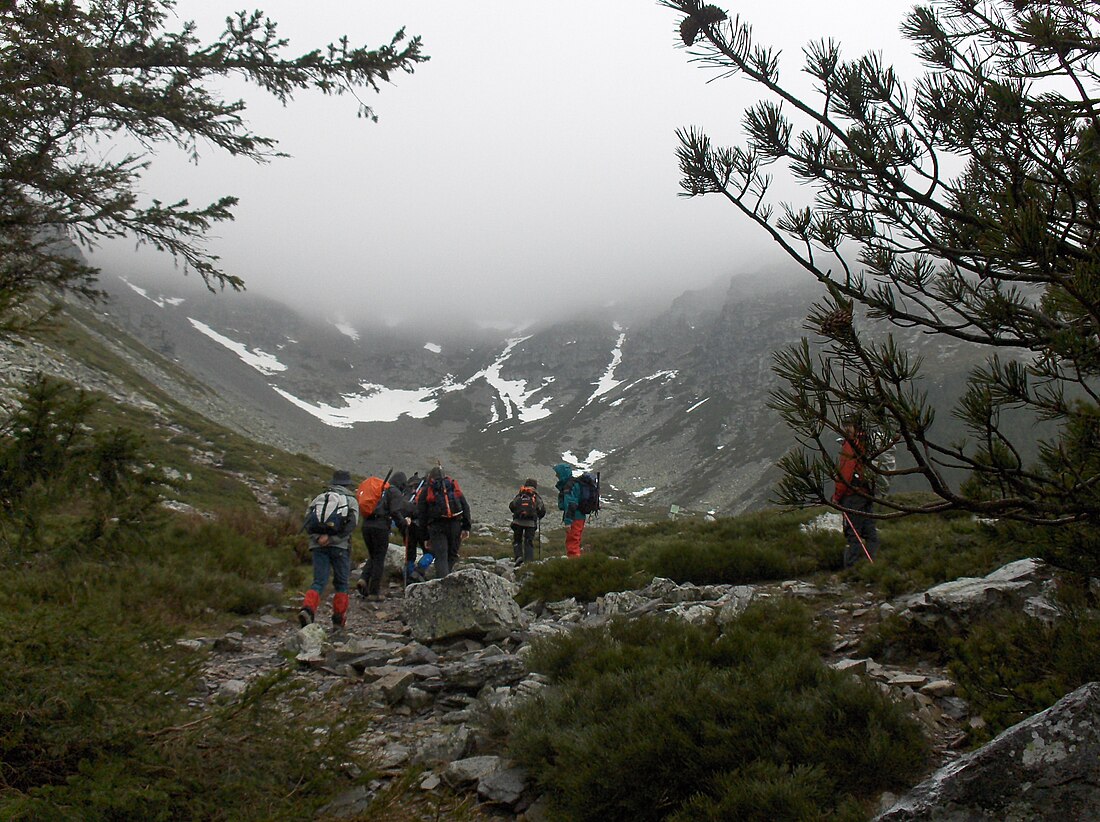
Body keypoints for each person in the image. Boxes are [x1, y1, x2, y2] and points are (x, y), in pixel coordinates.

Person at [299, 469, 359, 628]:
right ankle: (339, 619)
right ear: (347, 485)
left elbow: (307, 521)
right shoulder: (350, 500)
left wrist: (318, 538)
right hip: (340, 547)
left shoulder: (319, 498)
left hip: (318, 546)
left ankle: (308, 609)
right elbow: (352, 524)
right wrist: (333, 538)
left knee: (319, 581)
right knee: (341, 583)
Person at [833, 416, 880, 567]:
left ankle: (852, 569)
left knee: (854, 535)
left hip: (852, 495)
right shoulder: (867, 443)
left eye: (849, 425)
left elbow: (845, 473)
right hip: (866, 493)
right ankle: (874, 565)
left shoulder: (851, 445)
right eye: (844, 425)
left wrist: (837, 496)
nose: (846, 428)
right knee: (870, 533)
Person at [358, 471, 407, 601]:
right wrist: (404, 528)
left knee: (373, 555)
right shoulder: (394, 492)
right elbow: (395, 512)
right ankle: (374, 592)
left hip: (366, 525)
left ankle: (363, 579)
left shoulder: (381, 490)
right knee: (379, 558)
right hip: (380, 527)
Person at [415, 466, 470, 578]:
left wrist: (425, 537)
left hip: (437, 527)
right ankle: (447, 581)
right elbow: (465, 506)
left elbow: (422, 515)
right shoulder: (453, 486)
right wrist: (466, 527)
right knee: (452, 555)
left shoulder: (427, 491)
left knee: (441, 556)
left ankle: (442, 582)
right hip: (455, 524)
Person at [509, 477, 546, 567]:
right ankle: (529, 562)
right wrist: (538, 516)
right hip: (530, 523)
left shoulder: (520, 494)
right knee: (528, 541)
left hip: (518, 521)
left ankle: (518, 557)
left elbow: (512, 506)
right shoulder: (535, 496)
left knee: (517, 540)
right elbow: (542, 510)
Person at [554, 463, 585, 558]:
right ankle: (576, 562)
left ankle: (574, 565)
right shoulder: (575, 483)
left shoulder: (569, 486)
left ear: (563, 474)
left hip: (575, 517)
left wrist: (568, 522)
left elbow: (571, 504)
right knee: (576, 540)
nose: (556, 476)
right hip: (580, 516)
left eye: (558, 474)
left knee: (572, 541)